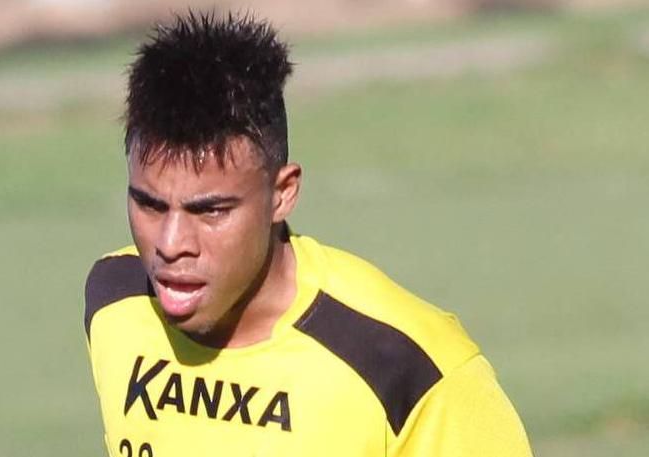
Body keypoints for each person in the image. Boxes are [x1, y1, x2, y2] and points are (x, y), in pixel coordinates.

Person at [84, 11, 532, 457]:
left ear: (282, 194)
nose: (171, 244)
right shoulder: (115, 300)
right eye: (150, 205)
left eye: (211, 211)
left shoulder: (407, 367)